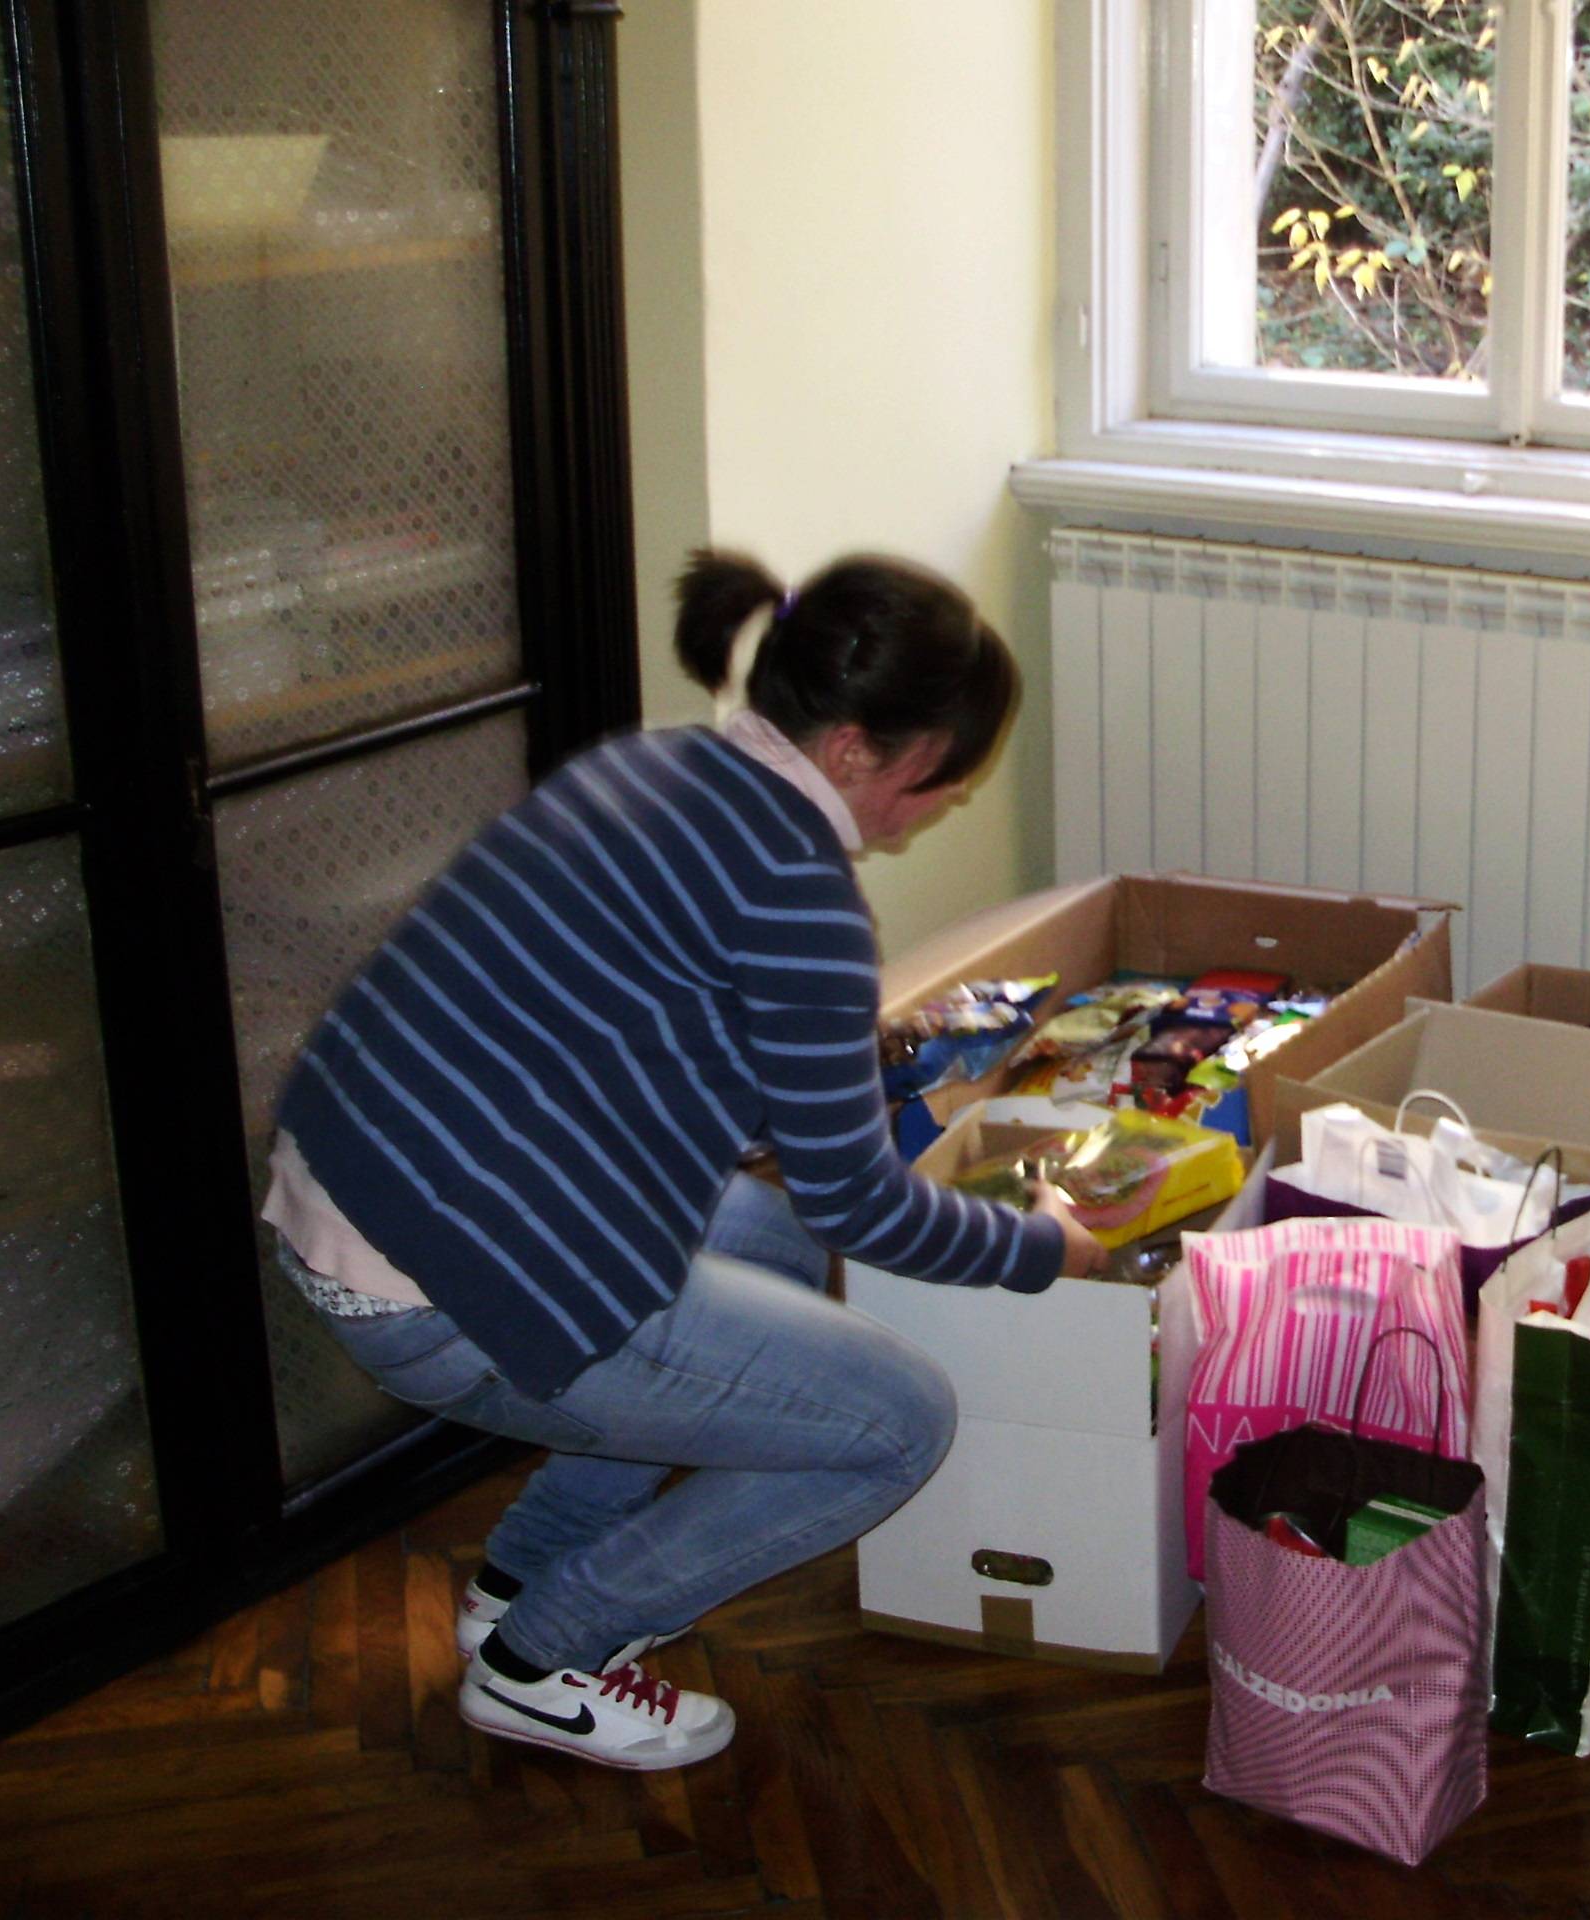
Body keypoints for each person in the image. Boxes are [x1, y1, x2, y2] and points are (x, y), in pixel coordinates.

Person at [264, 547, 1105, 1772]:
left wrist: (858, 1063)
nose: (948, 800)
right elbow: (861, 1204)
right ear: (857, 749)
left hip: (357, 1190)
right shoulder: (801, 892)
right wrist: (1040, 1248)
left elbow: (660, 1042)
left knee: (772, 1247)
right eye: (941, 775)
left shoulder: (656, 765)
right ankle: (543, 1661)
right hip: (435, 1288)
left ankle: (522, 1578)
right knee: (900, 1422)